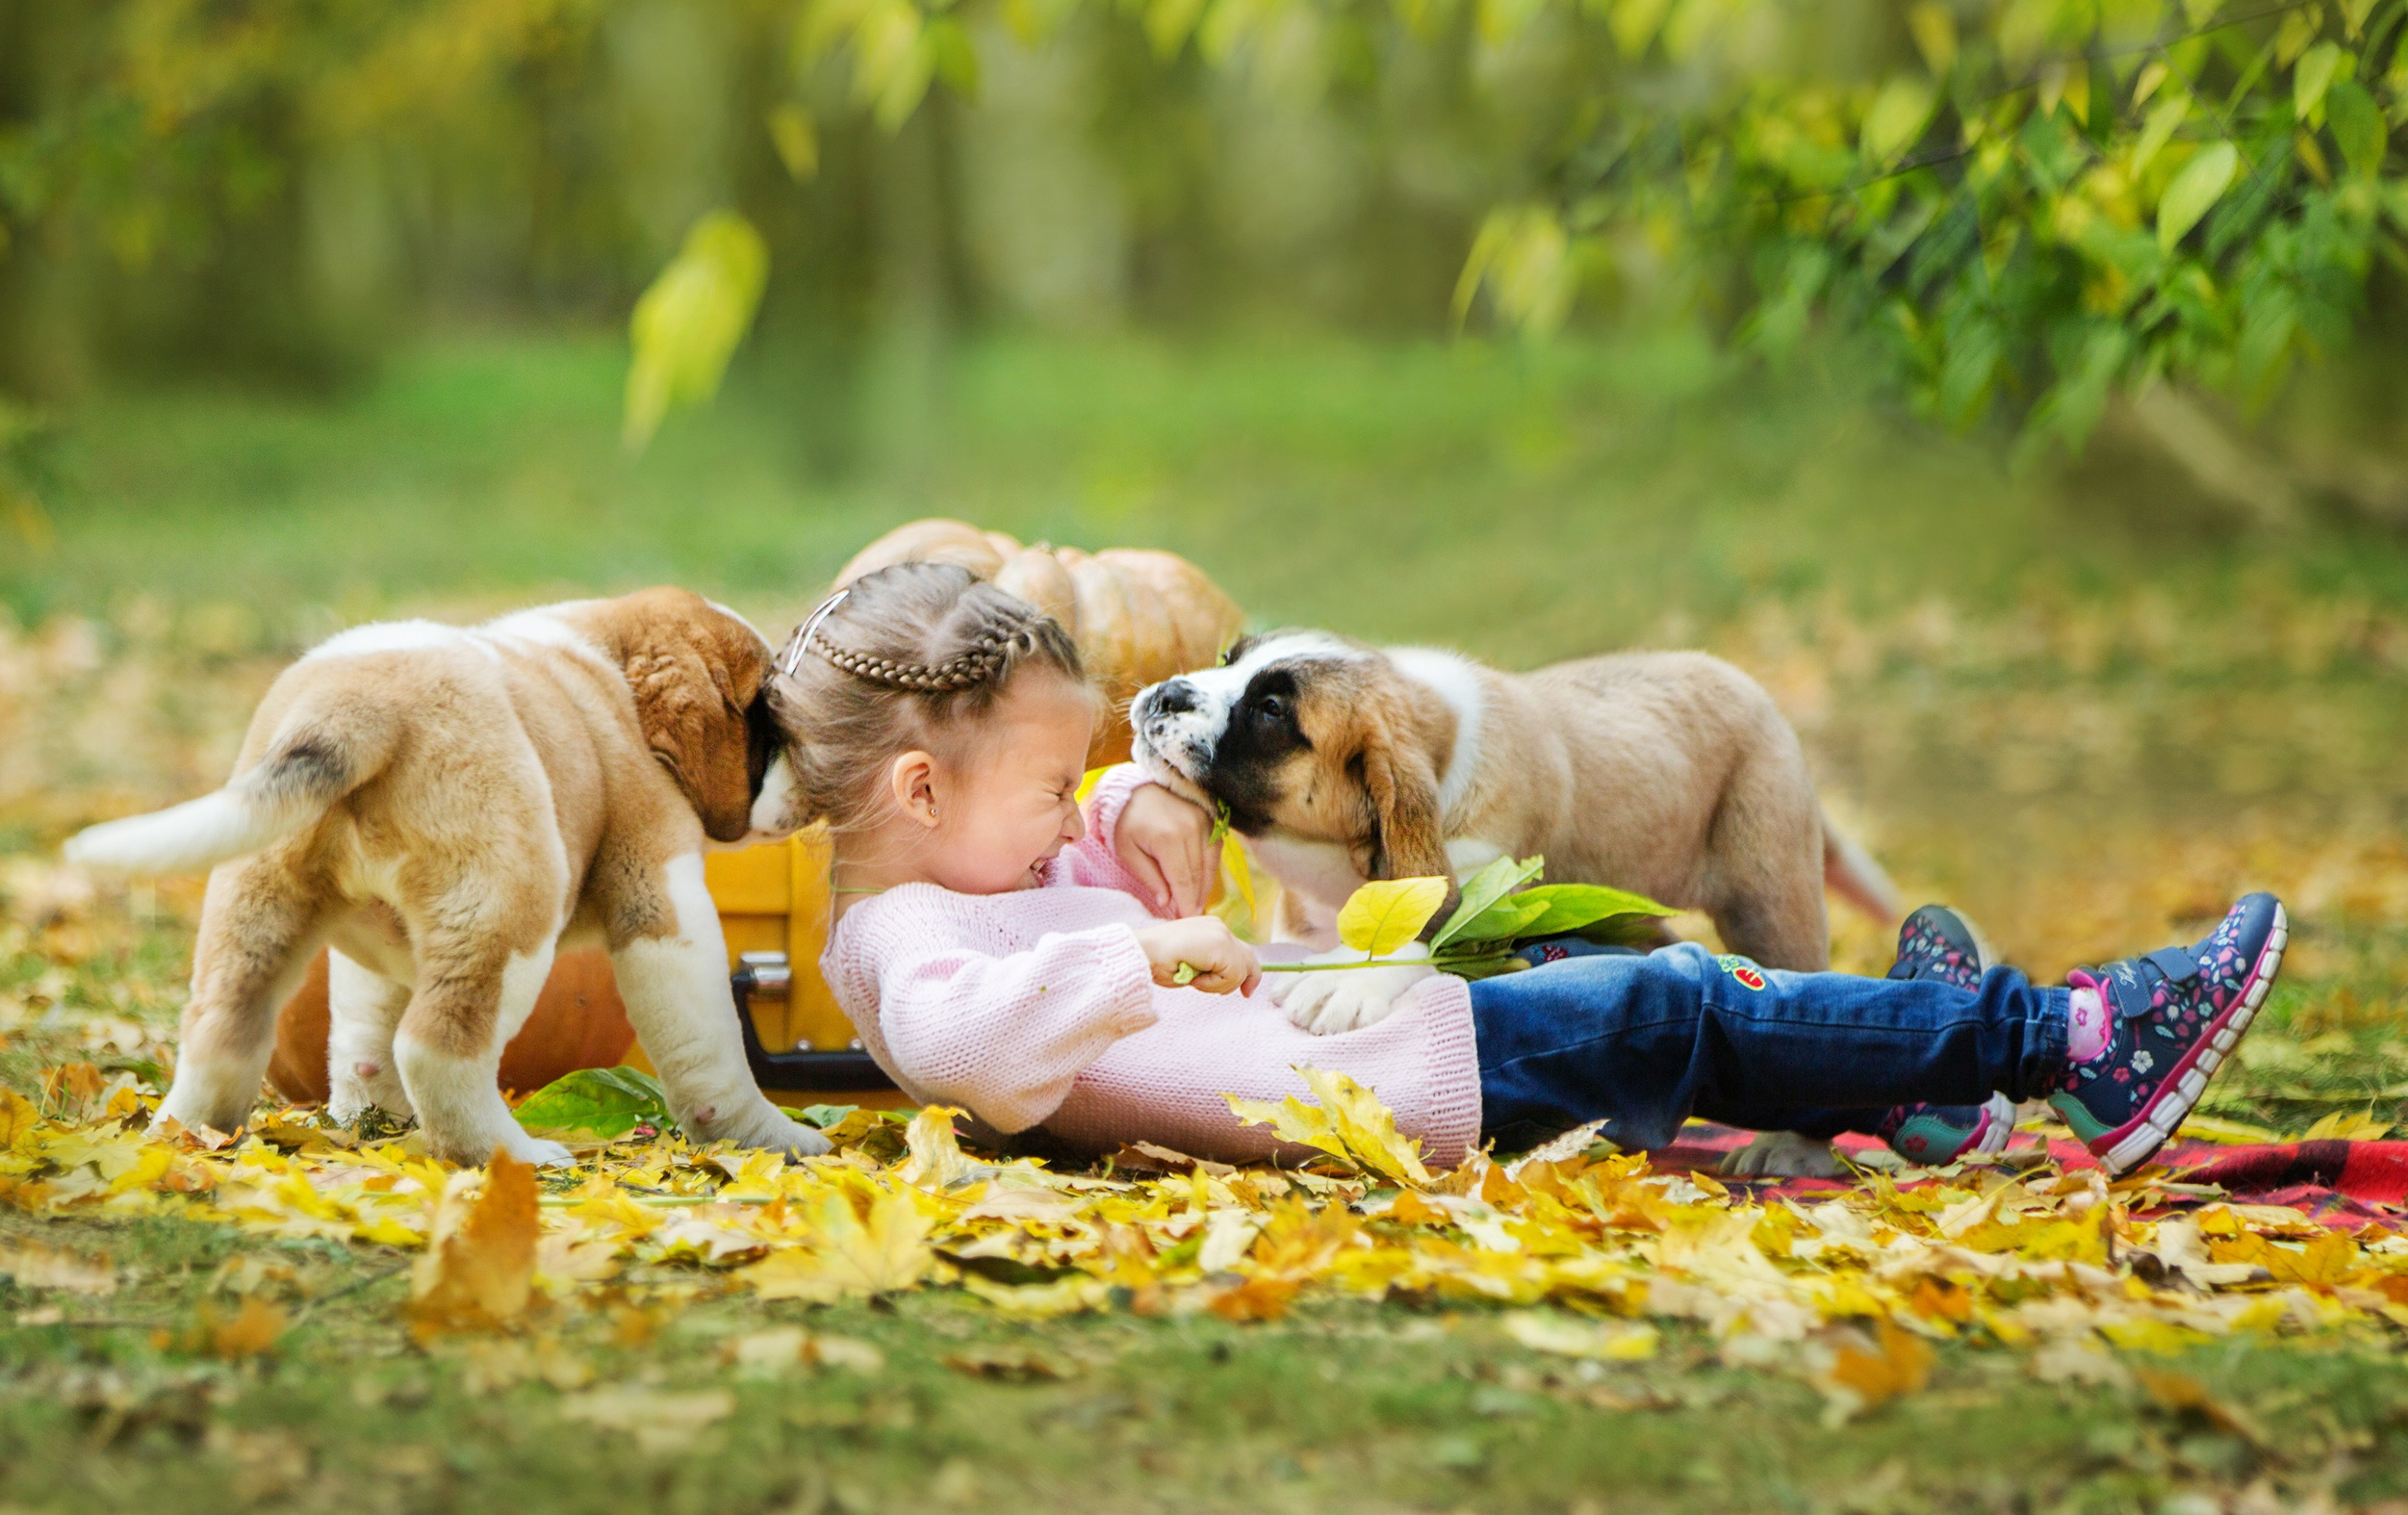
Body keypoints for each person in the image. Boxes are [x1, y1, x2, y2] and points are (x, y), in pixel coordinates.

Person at [767, 563, 2287, 1177]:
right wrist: (1141, 954)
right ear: (918, 787)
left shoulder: (979, 871)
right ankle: (2073, 1045)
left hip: (1400, 1035)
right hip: (1410, 1081)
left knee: (1699, 1003)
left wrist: (1118, 808)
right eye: (1046, 780)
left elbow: (1057, 874)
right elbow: (974, 1044)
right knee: (1683, 997)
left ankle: (1904, 1077)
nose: (1066, 807)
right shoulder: (902, 944)